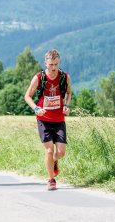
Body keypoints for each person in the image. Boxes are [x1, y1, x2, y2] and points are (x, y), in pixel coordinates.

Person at [24, 49, 72, 191]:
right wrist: (36, 109)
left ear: (59, 63)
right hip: (43, 119)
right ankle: (51, 179)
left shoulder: (64, 77)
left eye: (56, 64)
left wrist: (67, 105)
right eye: (50, 64)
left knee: (61, 152)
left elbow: (69, 93)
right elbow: (27, 96)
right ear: (45, 63)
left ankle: (54, 161)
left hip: (59, 120)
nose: (53, 68)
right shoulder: (39, 78)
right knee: (49, 151)